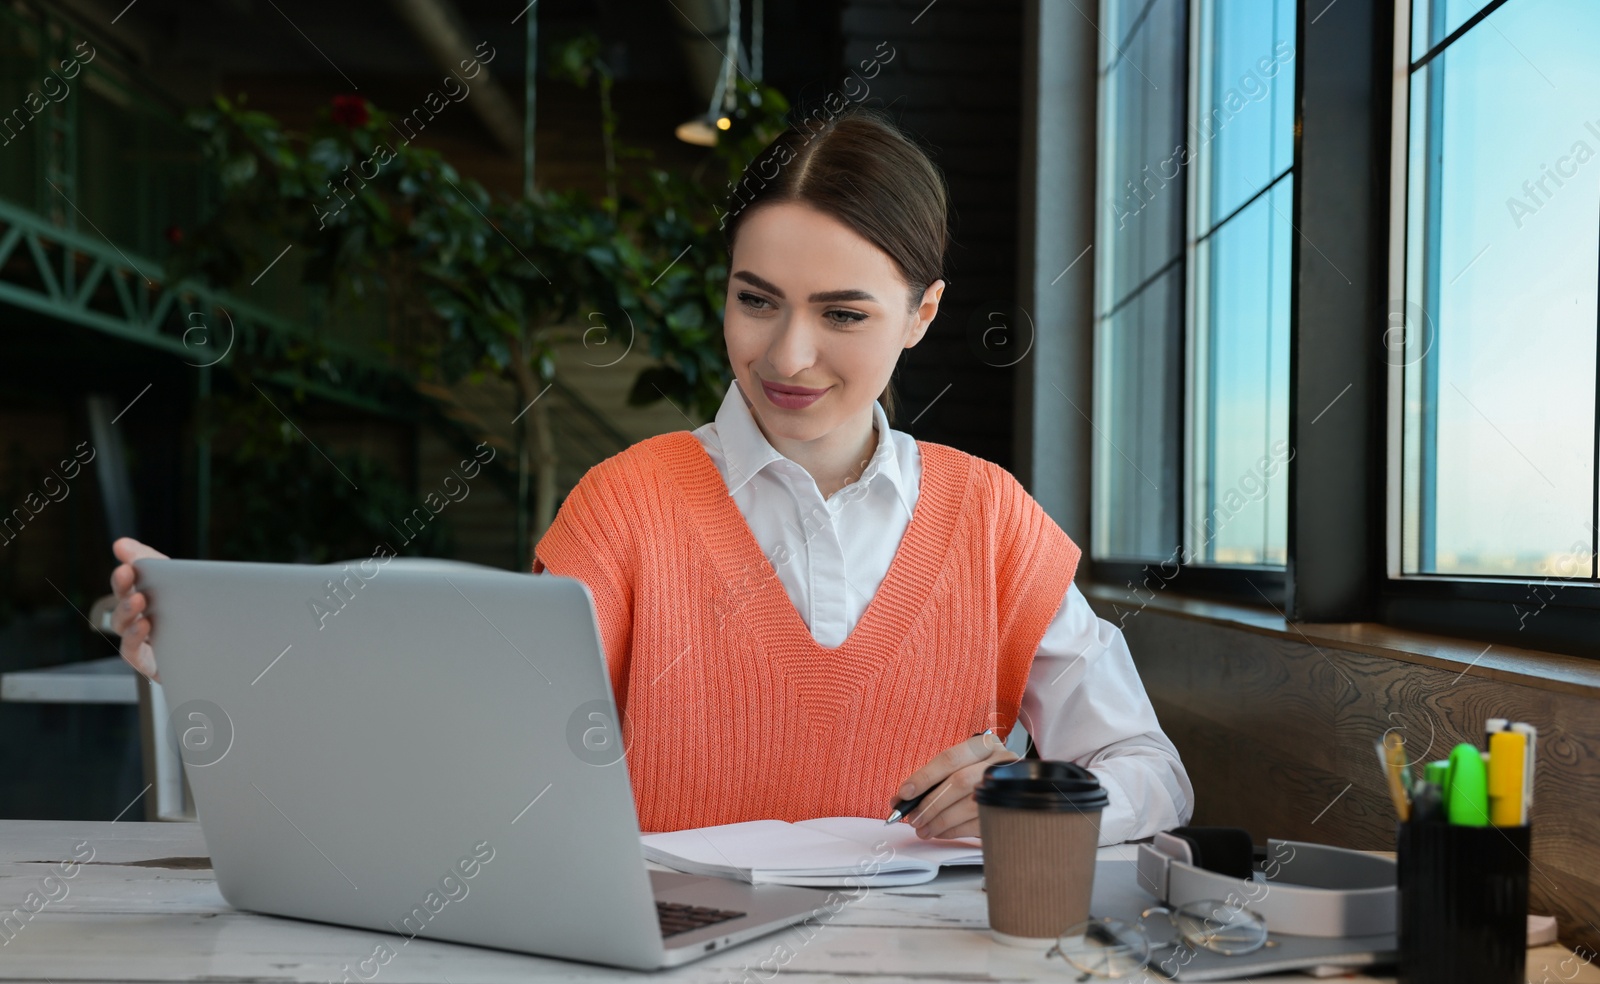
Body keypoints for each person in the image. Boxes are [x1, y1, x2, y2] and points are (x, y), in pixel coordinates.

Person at [110, 107, 1192, 846]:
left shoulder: (990, 521)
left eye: (844, 313)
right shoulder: (626, 505)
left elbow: (1149, 765)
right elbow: (468, 749)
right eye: (755, 298)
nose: (787, 355)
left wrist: (1041, 786)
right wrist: (221, 658)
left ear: (923, 314)